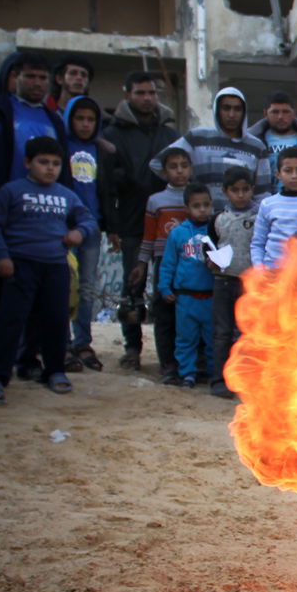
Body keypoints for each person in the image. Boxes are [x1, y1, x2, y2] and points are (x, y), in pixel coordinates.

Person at [0, 137, 96, 405]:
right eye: (43, 162)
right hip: (19, 265)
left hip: (55, 266)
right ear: (27, 163)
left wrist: (79, 232)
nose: (49, 168)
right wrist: (2, 256)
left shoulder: (66, 194)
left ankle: (54, 371)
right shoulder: (12, 191)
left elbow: (87, 218)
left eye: (55, 163)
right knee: (9, 321)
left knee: (55, 321)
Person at [103, 71, 178, 371]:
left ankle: (168, 354)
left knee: (166, 289)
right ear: (127, 96)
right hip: (132, 220)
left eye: (151, 93)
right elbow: (107, 185)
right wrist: (112, 226)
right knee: (132, 287)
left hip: (167, 221)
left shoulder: (170, 134)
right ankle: (132, 347)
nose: (147, 98)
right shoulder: (113, 134)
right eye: (140, 93)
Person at [0, 52, 74, 213]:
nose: (37, 83)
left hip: (45, 212)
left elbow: (64, 169)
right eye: (30, 76)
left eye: (42, 78)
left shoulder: (55, 120)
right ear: (16, 76)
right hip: (2, 207)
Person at [62, 95, 115, 372]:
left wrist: (110, 225)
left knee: (87, 288)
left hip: (92, 226)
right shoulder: (61, 147)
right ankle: (62, 344)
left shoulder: (100, 151)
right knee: (62, 286)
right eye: (79, 118)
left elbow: (106, 190)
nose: (84, 124)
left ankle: (82, 342)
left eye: (90, 119)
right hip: (62, 228)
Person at [152, 87, 271, 210]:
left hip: (240, 223)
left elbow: (262, 193)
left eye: (237, 109)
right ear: (217, 110)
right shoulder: (196, 138)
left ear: (244, 112)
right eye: (226, 108)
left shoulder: (257, 147)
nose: (231, 114)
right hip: (202, 221)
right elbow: (158, 163)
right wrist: (179, 188)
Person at [136, 146, 193, 383]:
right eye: (173, 166)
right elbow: (149, 235)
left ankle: (190, 364)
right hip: (163, 263)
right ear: (164, 171)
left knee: (189, 314)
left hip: (192, 263)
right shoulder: (156, 200)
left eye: (184, 165)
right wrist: (141, 263)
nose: (179, 171)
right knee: (164, 313)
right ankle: (167, 363)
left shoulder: (198, 197)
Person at [158, 183, 216, 389]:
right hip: (186, 297)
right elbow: (168, 263)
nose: (202, 210)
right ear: (186, 208)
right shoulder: (178, 234)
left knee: (212, 339)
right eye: (196, 205)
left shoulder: (217, 229)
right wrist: (165, 287)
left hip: (211, 296)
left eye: (206, 205)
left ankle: (212, 373)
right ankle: (187, 374)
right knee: (186, 339)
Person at [206, 167, 257, 399]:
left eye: (245, 190)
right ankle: (219, 380)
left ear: (252, 190)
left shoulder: (258, 217)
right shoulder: (218, 219)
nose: (240, 195)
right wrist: (211, 262)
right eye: (235, 190)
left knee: (248, 334)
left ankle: (245, 380)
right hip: (223, 282)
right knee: (222, 333)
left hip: (250, 284)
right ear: (225, 191)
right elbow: (209, 246)